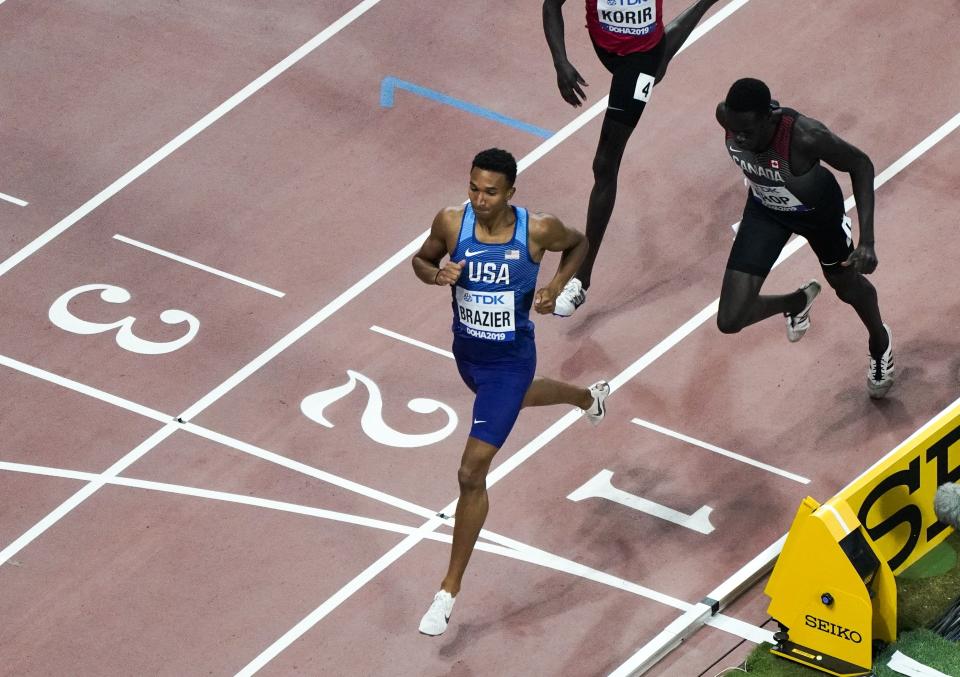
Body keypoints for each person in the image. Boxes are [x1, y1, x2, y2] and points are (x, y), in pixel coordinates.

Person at [412, 148, 610, 635]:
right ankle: (586, 397)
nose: (480, 199)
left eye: (491, 191)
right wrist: (437, 275)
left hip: (510, 362)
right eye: (474, 188)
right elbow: (419, 260)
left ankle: (447, 592)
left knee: (470, 471)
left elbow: (580, 244)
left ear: (511, 193)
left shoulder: (537, 230)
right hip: (468, 358)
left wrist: (558, 286)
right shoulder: (450, 221)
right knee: (513, 401)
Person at [715, 78, 894, 398]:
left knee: (847, 286)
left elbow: (861, 164)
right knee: (730, 319)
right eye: (734, 130)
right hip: (766, 211)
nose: (739, 139)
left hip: (818, 215)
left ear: (768, 118)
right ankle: (797, 302)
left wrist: (868, 240)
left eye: (748, 132)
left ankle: (880, 343)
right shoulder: (726, 118)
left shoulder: (805, 136)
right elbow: (739, 129)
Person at [542, 0, 723, 316]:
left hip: (640, 56)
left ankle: (581, 279)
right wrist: (560, 62)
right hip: (605, 46)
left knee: (604, 163)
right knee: (657, 68)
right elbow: (551, 4)